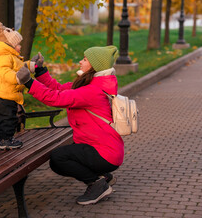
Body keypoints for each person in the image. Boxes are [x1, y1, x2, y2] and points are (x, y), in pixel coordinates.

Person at [16, 45, 124, 205]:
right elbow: (58, 89)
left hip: (105, 153)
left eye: (85, 59)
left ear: (94, 66)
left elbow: (55, 98)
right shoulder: (90, 84)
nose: (80, 61)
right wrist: (39, 71)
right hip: (106, 149)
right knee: (68, 153)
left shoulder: (91, 91)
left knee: (58, 158)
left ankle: (96, 185)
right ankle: (104, 176)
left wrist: (29, 83)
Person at [0, 22, 39, 150]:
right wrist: (17, 78)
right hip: (1, 97)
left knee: (1, 119)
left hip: (3, 95)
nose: (20, 47)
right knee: (7, 119)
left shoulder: (9, 57)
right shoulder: (2, 57)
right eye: (18, 44)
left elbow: (19, 67)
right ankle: (6, 140)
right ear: (10, 45)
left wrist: (32, 65)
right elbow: (5, 73)